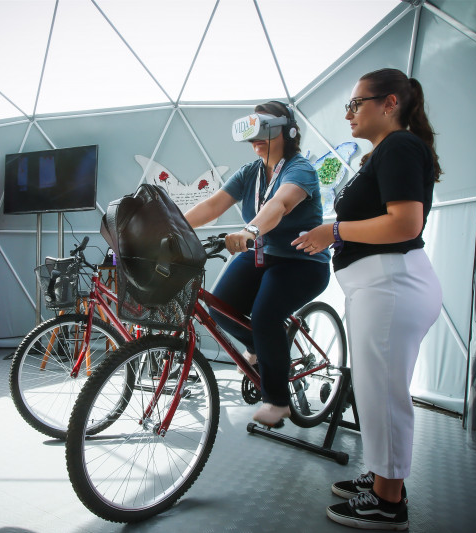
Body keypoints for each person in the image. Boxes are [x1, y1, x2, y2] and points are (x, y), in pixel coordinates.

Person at [292, 68, 443, 530]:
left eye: (357, 104)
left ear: (390, 103)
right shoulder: (386, 152)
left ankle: (388, 502)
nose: (349, 114)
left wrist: (333, 231)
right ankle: (382, 478)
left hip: (391, 285)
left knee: (384, 394)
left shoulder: (399, 146)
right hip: (378, 286)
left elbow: (405, 223)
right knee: (375, 390)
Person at [185, 100, 330, 426]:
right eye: (252, 133)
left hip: (302, 261)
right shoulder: (250, 172)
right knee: (218, 307)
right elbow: (212, 206)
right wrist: (172, 225)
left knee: (265, 315)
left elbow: (279, 204)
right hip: (263, 253)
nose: (256, 140)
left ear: (287, 132)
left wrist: (249, 230)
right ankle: (261, 345)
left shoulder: (299, 169)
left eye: (264, 131)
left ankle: (278, 401)